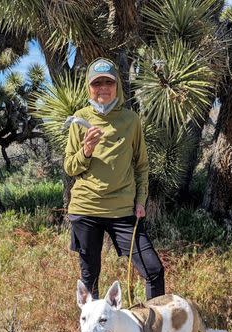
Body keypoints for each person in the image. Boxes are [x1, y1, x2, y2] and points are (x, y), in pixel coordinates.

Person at [64, 58, 164, 300]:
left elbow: (141, 165)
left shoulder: (131, 120)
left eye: (108, 82)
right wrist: (86, 150)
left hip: (122, 211)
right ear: (89, 87)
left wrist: (140, 200)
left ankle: (154, 331)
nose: (103, 88)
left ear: (117, 85)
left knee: (153, 270)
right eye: (97, 83)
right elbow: (69, 167)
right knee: (90, 278)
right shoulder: (80, 118)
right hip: (86, 209)